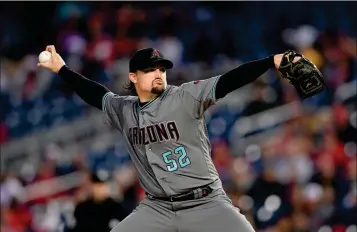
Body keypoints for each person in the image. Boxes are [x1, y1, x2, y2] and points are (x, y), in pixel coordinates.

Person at [38, 45, 292, 232]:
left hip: (205, 202)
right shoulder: (124, 110)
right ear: (133, 77)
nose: (158, 73)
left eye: (161, 69)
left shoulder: (184, 97)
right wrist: (61, 69)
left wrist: (271, 61)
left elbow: (229, 80)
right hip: (157, 208)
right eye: (149, 70)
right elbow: (95, 94)